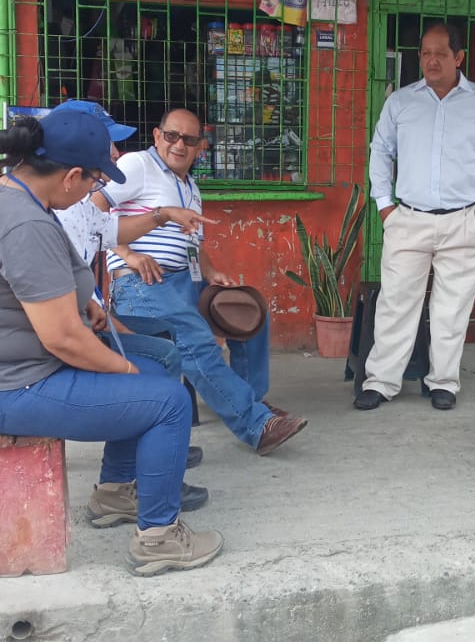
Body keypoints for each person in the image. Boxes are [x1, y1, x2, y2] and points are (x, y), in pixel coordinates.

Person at [0, 108, 223, 575]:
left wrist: (84, 301)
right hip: (20, 383)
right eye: (94, 181)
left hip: (28, 364)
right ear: (71, 176)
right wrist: (124, 371)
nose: (94, 192)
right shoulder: (26, 224)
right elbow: (63, 339)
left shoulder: (23, 197)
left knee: (159, 368)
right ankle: (159, 539)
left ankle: (116, 492)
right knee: (167, 401)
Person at [95, 108, 306, 454]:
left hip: (186, 281)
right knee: (195, 339)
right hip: (142, 284)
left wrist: (212, 274)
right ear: (157, 136)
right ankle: (256, 425)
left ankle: (252, 401)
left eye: (189, 140)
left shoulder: (190, 187)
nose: (179, 145)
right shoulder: (138, 165)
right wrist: (128, 255)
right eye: (172, 136)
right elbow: (94, 209)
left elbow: (195, 244)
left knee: (248, 313)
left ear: (200, 146)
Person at [355, 20, 475, 411]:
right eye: (425, 53)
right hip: (408, 219)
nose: (431, 61)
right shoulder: (400, 102)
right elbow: (380, 151)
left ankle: (443, 382)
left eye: (440, 54)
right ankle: (381, 382)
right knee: (396, 303)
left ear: (459, 57)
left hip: (466, 220)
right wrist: (385, 205)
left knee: (452, 308)